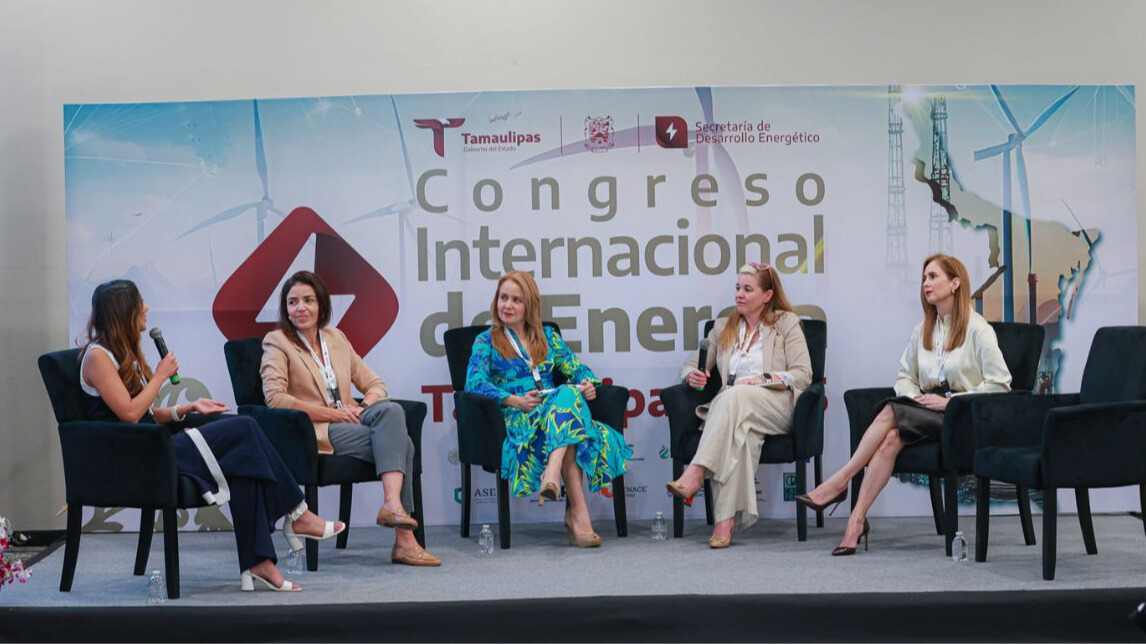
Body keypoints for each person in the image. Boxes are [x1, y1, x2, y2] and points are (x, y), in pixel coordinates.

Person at [79, 279, 344, 593]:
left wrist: (187, 408)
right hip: (137, 457)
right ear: (123, 312)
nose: (146, 308)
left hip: (154, 445)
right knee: (244, 427)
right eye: (140, 304)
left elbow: (146, 413)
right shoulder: (97, 357)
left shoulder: (120, 353)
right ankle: (298, 512)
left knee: (244, 463)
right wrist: (161, 375)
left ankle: (258, 562)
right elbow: (129, 414)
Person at [796, 254, 1011, 555]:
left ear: (955, 283)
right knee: (891, 439)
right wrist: (915, 400)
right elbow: (905, 377)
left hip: (962, 419)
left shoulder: (978, 329)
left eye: (933, 277)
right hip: (926, 414)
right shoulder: (923, 330)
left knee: (889, 411)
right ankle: (855, 522)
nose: (926, 283)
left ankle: (839, 482)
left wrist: (949, 402)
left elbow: (1000, 385)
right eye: (924, 278)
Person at [261, 271, 440, 567]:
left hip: (348, 419)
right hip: (314, 429)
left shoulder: (336, 338)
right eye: (293, 302)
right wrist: (333, 413)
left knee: (392, 411)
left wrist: (362, 407)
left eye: (308, 300)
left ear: (321, 305)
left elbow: (376, 384)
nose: (300, 308)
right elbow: (276, 399)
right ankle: (404, 540)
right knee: (404, 446)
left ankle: (392, 505)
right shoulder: (277, 341)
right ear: (286, 309)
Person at [464, 271, 632, 547]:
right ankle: (577, 515)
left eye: (516, 300)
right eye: (503, 298)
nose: (507, 305)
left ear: (529, 305)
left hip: (554, 409)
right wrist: (513, 400)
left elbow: (578, 369)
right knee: (570, 426)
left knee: (567, 393)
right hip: (520, 415)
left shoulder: (548, 337)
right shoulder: (486, 341)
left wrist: (588, 384)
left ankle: (553, 476)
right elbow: (474, 382)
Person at [665, 262, 812, 548]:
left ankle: (696, 471)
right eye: (737, 288)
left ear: (767, 295)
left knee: (733, 396)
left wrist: (762, 379)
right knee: (742, 435)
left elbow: (803, 374)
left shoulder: (786, 323)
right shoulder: (723, 327)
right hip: (735, 410)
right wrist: (691, 375)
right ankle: (725, 522)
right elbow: (690, 364)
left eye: (747, 289)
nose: (739, 295)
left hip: (776, 405)